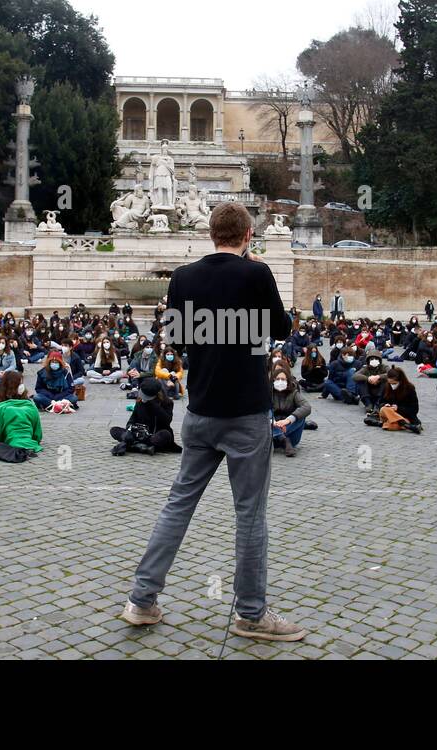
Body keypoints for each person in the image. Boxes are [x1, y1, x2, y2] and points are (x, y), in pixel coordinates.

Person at [123, 201, 302, 642]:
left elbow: (177, 339)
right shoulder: (256, 273)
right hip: (246, 413)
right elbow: (282, 327)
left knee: (177, 505)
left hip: (200, 411)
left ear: (210, 234)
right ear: (247, 235)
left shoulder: (184, 277)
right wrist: (256, 278)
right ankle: (251, 614)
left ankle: (141, 601)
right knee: (250, 514)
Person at [110, 378, 182, 456]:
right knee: (114, 430)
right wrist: (129, 430)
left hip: (153, 435)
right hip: (139, 434)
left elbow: (167, 421)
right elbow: (132, 419)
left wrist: (153, 405)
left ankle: (134, 445)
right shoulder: (140, 401)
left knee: (166, 435)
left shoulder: (167, 403)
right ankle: (142, 447)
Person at [0, 370, 43, 455]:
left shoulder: (20, 391)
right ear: (12, 383)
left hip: (19, 423)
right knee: (11, 412)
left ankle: (21, 438)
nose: (21, 385)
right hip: (0, 424)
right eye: (19, 383)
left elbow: (28, 404)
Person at [269, 366, 311, 456]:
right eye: (278, 379)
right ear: (273, 380)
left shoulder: (294, 393)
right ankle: (283, 439)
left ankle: (281, 436)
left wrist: (287, 420)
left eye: (283, 379)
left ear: (287, 381)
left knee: (300, 415)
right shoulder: (268, 393)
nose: (280, 381)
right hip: (271, 432)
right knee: (266, 411)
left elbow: (307, 406)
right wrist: (273, 422)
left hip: (290, 432)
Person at [367, 366, 421, 433]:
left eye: (394, 383)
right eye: (390, 383)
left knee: (391, 426)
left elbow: (414, 409)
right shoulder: (386, 387)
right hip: (387, 413)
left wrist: (398, 408)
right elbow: (380, 402)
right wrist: (385, 404)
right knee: (384, 409)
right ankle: (406, 425)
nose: (392, 385)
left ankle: (383, 424)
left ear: (401, 381)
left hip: (403, 415)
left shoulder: (409, 389)